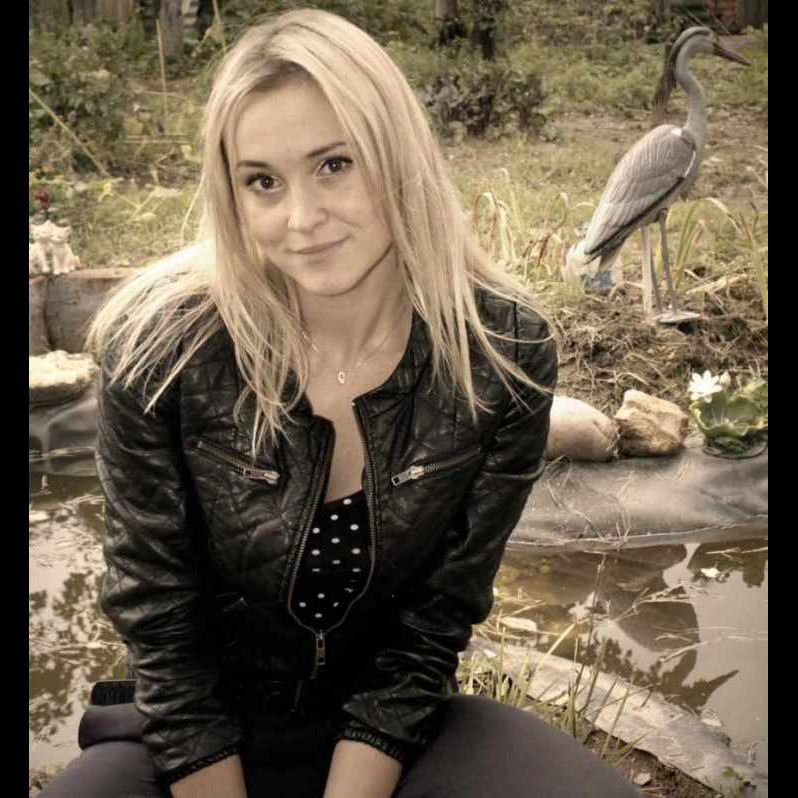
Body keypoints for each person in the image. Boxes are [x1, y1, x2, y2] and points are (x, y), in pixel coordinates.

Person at [41, 9, 641, 798]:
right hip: (188, 742)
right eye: (263, 181)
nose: (302, 219)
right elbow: (160, 622)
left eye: (334, 164)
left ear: (397, 156)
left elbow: (435, 621)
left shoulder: (501, 353)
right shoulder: (162, 351)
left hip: (394, 734)